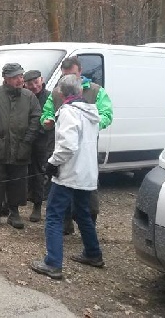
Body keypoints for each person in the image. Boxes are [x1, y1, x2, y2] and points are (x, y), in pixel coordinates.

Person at [30, 74, 105, 280]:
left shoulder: (68, 112)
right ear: (79, 92)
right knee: (82, 213)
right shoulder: (91, 112)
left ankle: (53, 263)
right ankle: (93, 253)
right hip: (87, 173)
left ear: (61, 93)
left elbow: (68, 146)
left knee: (54, 215)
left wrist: (52, 163)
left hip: (69, 174)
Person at [40, 56, 113, 234]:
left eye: (71, 74)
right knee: (60, 189)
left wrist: (89, 125)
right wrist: (47, 121)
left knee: (87, 196)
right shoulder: (57, 92)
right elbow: (46, 114)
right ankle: (66, 225)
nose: (67, 79)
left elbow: (106, 115)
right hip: (61, 146)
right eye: (64, 76)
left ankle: (87, 227)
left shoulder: (96, 91)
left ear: (80, 71)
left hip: (85, 150)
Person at [0, 63, 41, 230]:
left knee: (18, 181)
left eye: (21, 76)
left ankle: (14, 213)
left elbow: (36, 118)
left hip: (21, 146)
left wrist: (28, 140)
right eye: (15, 77)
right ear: (6, 79)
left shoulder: (29, 97)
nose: (20, 79)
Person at [23, 70, 54, 222]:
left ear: (41, 80)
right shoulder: (23, 96)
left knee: (38, 174)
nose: (34, 86)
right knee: (19, 172)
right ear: (25, 85)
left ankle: (37, 206)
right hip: (23, 140)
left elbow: (50, 119)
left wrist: (35, 132)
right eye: (30, 84)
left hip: (41, 141)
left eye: (36, 82)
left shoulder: (50, 97)